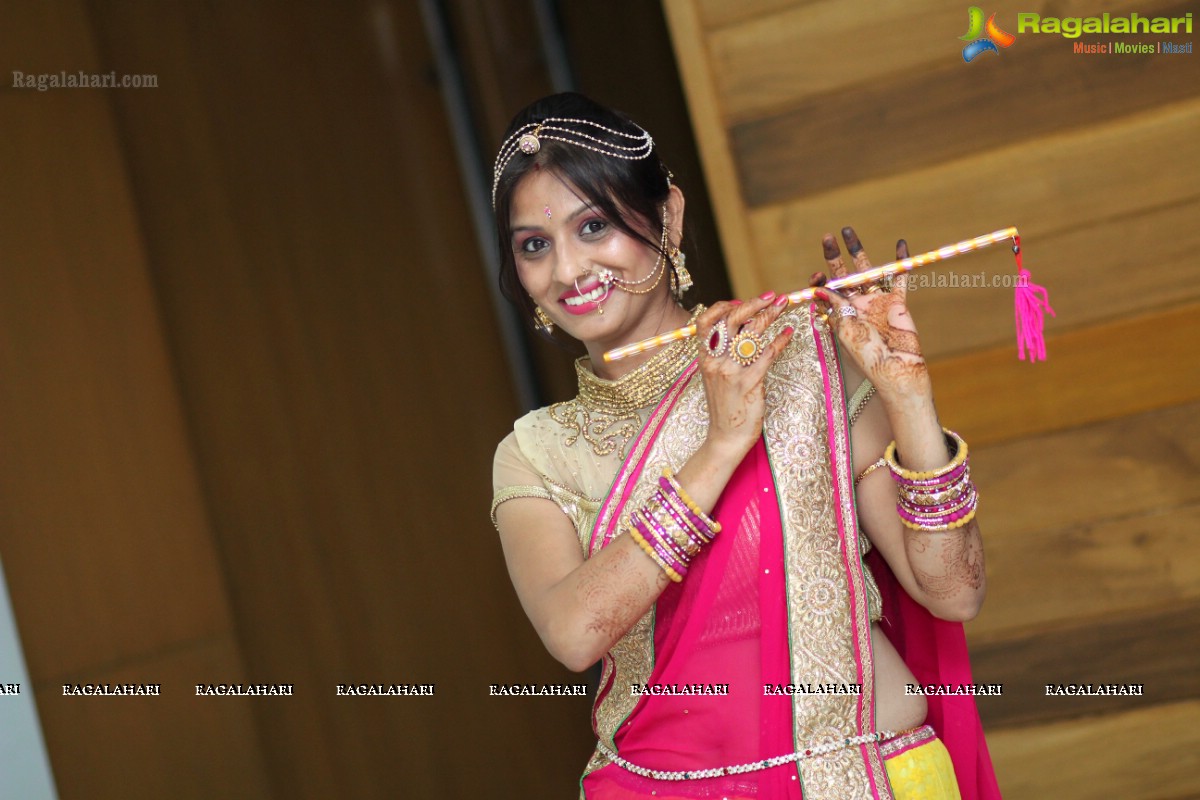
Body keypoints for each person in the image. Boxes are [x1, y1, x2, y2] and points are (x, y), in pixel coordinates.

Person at [489, 92, 1001, 800]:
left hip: (871, 779)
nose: (570, 271)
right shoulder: (537, 452)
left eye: (595, 226)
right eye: (535, 245)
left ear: (667, 215)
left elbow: (955, 591)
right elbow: (575, 633)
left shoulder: (802, 360)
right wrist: (722, 446)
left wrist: (907, 397)